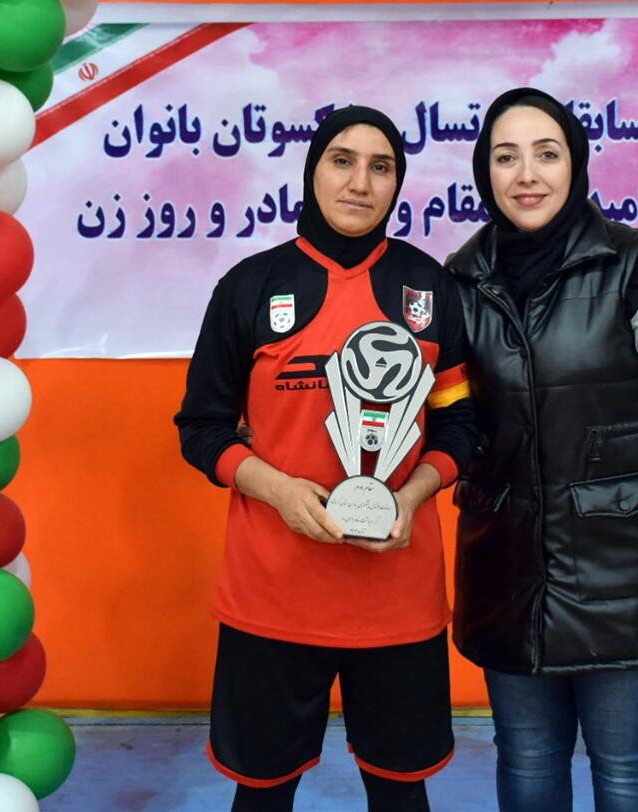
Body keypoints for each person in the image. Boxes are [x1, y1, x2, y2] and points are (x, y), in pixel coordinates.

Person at [175, 106, 478, 812]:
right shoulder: (249, 286)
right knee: (262, 796)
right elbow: (202, 428)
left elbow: (460, 427)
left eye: (381, 167)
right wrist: (277, 489)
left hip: (397, 601)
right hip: (272, 598)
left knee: (401, 796)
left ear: (397, 183)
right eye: (342, 161)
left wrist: (412, 496)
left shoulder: (432, 289)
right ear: (313, 170)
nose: (360, 183)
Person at [445, 87, 638, 812]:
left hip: (623, 569)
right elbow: (441, 413)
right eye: (506, 157)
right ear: (484, 172)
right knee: (527, 761)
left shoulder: (635, 265)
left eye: (546, 154)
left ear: (576, 163)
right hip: (505, 569)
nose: (526, 175)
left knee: (626, 769)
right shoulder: (459, 281)